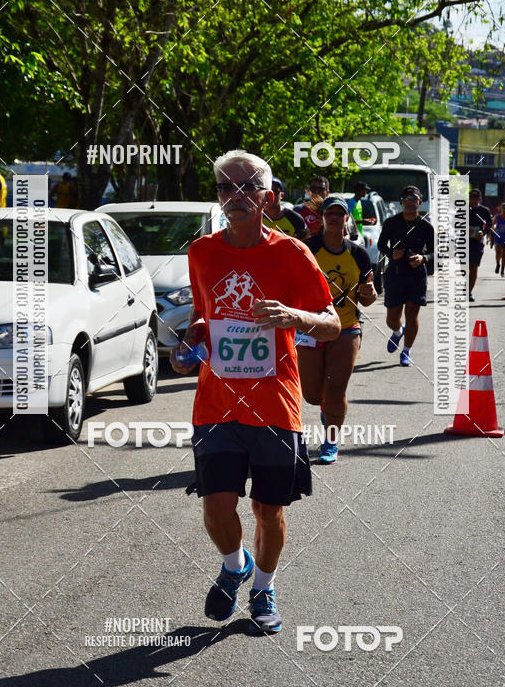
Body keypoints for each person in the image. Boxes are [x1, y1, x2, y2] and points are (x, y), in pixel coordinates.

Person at [170, 149, 340, 635]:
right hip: (217, 403)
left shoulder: (291, 253)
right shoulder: (201, 252)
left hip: (274, 405)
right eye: (226, 187)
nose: (235, 196)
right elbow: (205, 318)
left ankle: (263, 585)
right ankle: (234, 564)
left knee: (269, 509)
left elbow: (330, 323)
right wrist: (193, 339)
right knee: (216, 504)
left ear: (266, 198)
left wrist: (295, 317)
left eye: (246, 188)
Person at [297, 195, 376, 464]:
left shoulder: (359, 255)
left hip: (346, 328)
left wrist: (371, 293)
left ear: (347, 219)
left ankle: (330, 442)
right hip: (311, 328)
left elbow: (367, 298)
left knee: (336, 389)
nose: (334, 217)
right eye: (329, 213)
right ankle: (325, 408)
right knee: (311, 394)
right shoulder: (308, 249)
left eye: (339, 213)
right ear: (322, 217)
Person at [377, 185, 435, 366]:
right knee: (392, 318)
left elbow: (435, 253)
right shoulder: (391, 223)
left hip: (416, 275)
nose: (410, 203)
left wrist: (423, 258)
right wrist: (390, 253)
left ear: (419, 202)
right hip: (395, 274)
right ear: (401, 202)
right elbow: (380, 245)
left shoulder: (426, 227)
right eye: (407, 200)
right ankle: (397, 331)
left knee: (412, 313)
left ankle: (406, 351)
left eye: (414, 200)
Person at [468, 188, 493, 302]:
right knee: (463, 268)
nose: (472, 199)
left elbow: (490, 225)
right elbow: (455, 223)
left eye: (475, 197)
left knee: (473, 267)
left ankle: (468, 292)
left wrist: (483, 232)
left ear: (479, 198)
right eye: (471, 196)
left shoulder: (484, 210)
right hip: (464, 242)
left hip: (477, 242)